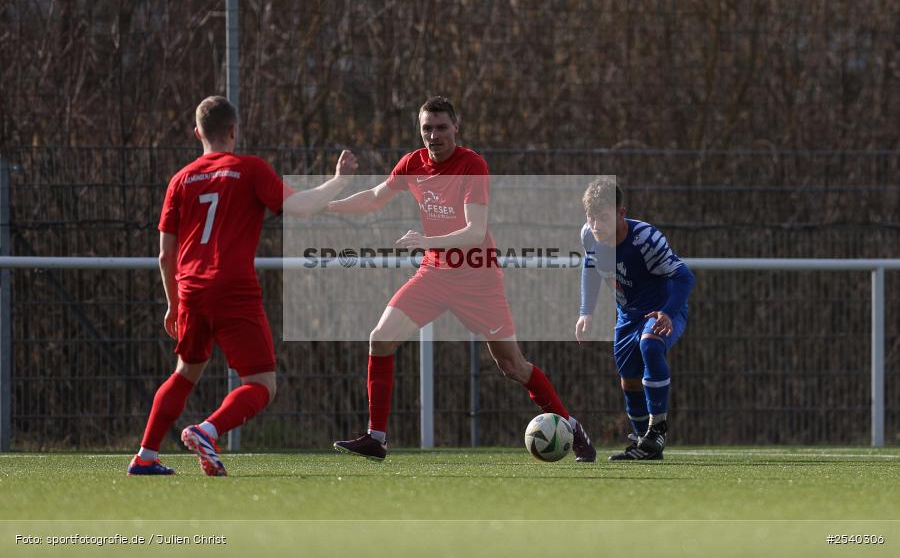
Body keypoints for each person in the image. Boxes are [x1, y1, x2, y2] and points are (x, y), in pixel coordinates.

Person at [328, 96, 596, 462]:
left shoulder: (473, 165)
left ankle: (570, 426)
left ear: (456, 127)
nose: (434, 136)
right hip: (435, 275)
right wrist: (326, 203)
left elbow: (475, 232)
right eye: (427, 128)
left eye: (441, 128)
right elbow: (375, 198)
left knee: (513, 366)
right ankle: (376, 438)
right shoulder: (413, 162)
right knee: (381, 338)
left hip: (478, 279)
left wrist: (426, 241)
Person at [128, 95, 357, 476]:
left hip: (191, 290)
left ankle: (145, 456)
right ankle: (207, 430)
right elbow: (299, 208)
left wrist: (173, 304)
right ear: (234, 131)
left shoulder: (180, 180)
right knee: (263, 384)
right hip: (232, 287)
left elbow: (165, 256)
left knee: (186, 371)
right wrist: (338, 181)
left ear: (197, 132)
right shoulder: (249, 169)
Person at [576, 177, 694, 460]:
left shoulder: (646, 240)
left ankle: (657, 430)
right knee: (629, 380)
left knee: (650, 344)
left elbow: (684, 276)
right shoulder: (589, 236)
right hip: (627, 316)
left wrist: (667, 311)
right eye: (591, 218)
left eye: (603, 218)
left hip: (662, 310)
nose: (596, 226)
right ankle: (644, 443)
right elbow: (590, 268)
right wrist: (586, 312)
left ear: (621, 213)